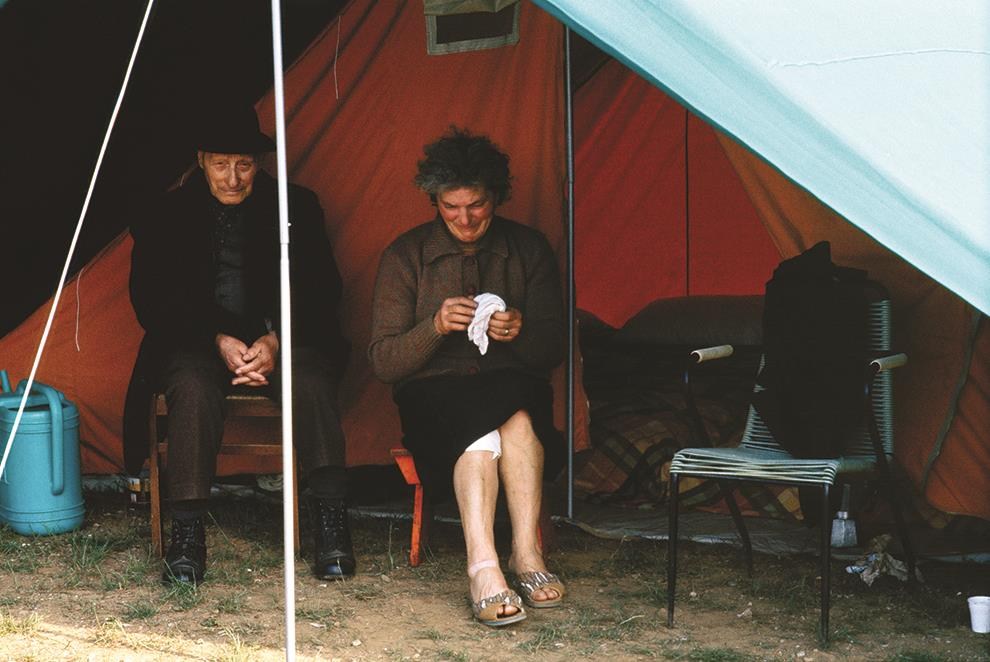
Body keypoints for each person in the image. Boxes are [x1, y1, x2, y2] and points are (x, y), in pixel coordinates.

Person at [128, 105, 355, 585]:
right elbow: (152, 298)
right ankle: (187, 535)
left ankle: (332, 525)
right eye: (221, 164)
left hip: (283, 337)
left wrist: (277, 340)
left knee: (311, 381)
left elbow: (323, 289)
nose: (232, 178)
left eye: (244, 165)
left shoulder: (296, 206)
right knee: (191, 389)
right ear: (201, 160)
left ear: (259, 163)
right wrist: (216, 339)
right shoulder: (165, 214)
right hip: (196, 340)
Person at [369, 128, 567, 626]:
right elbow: (384, 361)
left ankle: (526, 555)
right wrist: (433, 328)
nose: (464, 218)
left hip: (510, 383)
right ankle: (483, 567)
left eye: (476, 204)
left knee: (518, 419)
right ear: (434, 201)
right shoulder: (405, 255)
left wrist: (519, 330)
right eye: (450, 207)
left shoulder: (528, 248)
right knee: (479, 434)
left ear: (495, 196)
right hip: (433, 392)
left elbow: (552, 350)